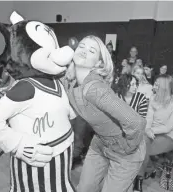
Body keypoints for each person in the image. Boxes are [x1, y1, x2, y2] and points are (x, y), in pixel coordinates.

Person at [62, 35, 146, 192]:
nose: (84, 51)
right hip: (100, 143)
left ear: (99, 62)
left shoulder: (94, 89)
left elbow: (136, 122)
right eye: (81, 46)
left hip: (125, 152)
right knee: (84, 189)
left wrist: (127, 147)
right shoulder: (71, 82)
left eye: (91, 50)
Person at [134, 75, 173, 191]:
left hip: (169, 136)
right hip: (151, 133)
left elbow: (169, 127)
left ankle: (139, 177)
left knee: (142, 144)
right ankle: (147, 171)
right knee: (141, 142)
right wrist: (148, 129)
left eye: (157, 85)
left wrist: (151, 130)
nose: (154, 87)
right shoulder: (153, 98)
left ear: (165, 87)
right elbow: (149, 118)